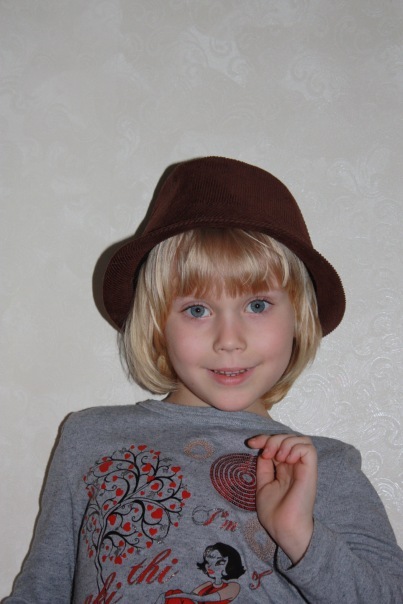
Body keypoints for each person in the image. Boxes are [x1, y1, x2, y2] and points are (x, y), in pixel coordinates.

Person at [5, 157, 403, 603]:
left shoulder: (323, 466)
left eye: (257, 305)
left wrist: (300, 535)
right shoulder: (91, 436)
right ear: (157, 325)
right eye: (197, 310)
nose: (229, 340)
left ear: (299, 318)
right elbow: (41, 590)